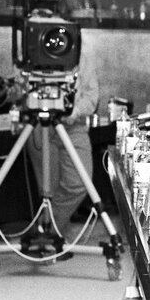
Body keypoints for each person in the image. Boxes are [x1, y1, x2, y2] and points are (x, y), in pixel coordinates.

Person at [23, 50, 99, 232]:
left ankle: (45, 230)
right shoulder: (30, 54)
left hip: (74, 125)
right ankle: (52, 239)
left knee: (80, 182)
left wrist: (76, 110)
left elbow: (91, 96)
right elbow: (20, 90)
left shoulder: (81, 57)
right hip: (41, 125)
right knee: (48, 190)